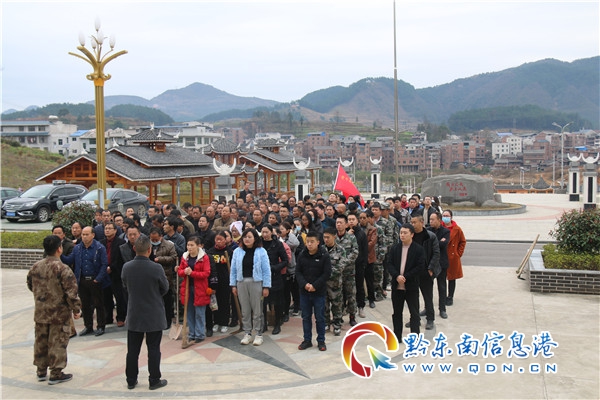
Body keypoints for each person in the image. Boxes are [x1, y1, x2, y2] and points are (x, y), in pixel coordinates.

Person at [27, 235, 82, 385]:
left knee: (41, 341)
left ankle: (41, 371)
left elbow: (30, 284)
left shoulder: (35, 267)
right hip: (59, 314)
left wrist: (42, 297)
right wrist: (76, 309)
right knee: (57, 343)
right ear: (59, 249)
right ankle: (56, 373)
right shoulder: (63, 269)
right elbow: (71, 293)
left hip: (41, 312)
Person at [121, 235, 169, 391]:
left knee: (132, 350)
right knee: (153, 349)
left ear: (134, 248)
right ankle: (154, 380)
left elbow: (125, 286)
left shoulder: (127, 267)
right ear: (150, 250)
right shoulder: (156, 268)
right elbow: (165, 288)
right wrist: (154, 295)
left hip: (134, 313)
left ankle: (131, 379)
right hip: (153, 313)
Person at [60, 226, 108, 337]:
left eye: (87, 234)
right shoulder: (77, 248)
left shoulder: (99, 248)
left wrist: (98, 278)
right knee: (85, 305)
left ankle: (101, 326)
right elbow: (69, 260)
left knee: (99, 304)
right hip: (82, 280)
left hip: (95, 280)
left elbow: (104, 264)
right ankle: (88, 326)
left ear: (93, 235)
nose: (84, 237)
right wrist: (60, 254)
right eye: (83, 234)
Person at [229, 228, 271, 346]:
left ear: (255, 238)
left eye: (249, 237)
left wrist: (266, 286)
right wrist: (233, 285)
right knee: (245, 310)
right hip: (241, 282)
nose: (247, 239)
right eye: (245, 237)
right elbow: (233, 270)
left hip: (256, 282)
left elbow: (266, 270)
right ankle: (247, 332)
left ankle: (258, 333)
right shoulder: (237, 252)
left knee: (257, 310)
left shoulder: (261, 251)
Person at [385, 223, 426, 340]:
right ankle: (397, 336)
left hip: (411, 286)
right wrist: (397, 276)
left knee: (414, 313)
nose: (402, 235)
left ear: (412, 234)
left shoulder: (418, 249)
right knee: (397, 313)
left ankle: (415, 337)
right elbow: (389, 264)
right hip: (397, 286)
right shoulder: (395, 248)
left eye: (405, 233)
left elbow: (420, 267)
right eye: (401, 233)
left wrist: (405, 277)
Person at [296, 231, 332, 351]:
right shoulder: (302, 255)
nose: (309, 244)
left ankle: (321, 341)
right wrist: (305, 284)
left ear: (318, 242)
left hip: (318, 292)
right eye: (308, 242)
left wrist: (315, 285)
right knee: (306, 317)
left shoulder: (324, 255)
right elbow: (298, 272)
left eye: (312, 242)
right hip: (305, 292)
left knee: (320, 317)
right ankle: (307, 340)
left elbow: (326, 273)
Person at [177, 236, 211, 343]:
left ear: (198, 246)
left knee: (200, 313)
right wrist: (184, 272)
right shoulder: (185, 257)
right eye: (188, 245)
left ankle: (200, 334)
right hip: (187, 288)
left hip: (200, 288)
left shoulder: (204, 257)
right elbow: (180, 271)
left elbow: (206, 273)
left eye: (192, 245)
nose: (189, 247)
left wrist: (192, 273)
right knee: (189, 312)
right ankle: (192, 333)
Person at [409, 215, 440, 331]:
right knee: (413, 297)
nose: (412, 225)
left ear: (421, 222)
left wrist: (431, 268)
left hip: (426, 271)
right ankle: (415, 319)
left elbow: (436, 253)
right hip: (413, 272)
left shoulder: (430, 236)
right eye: (411, 222)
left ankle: (430, 319)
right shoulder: (410, 236)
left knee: (427, 297)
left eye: (414, 222)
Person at [260, 224, 289, 335]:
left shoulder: (277, 244)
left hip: (275, 276)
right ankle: (264, 324)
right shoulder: (259, 244)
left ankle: (277, 324)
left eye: (267, 232)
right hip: (261, 276)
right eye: (263, 232)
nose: (265, 234)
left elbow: (285, 260)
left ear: (271, 232)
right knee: (263, 302)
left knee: (277, 302)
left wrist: (275, 268)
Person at [148, 227, 178, 329]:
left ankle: (167, 321)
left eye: (156, 239)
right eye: (152, 239)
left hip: (166, 276)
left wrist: (160, 259)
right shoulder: (148, 246)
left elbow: (173, 257)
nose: (154, 241)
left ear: (161, 237)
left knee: (167, 302)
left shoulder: (169, 245)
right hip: (151, 277)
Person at [100, 222, 127, 327]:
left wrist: (111, 267)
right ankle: (108, 317)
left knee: (119, 297)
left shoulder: (121, 242)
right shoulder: (101, 243)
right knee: (106, 297)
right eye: (106, 228)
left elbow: (120, 259)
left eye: (109, 228)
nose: (107, 230)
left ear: (115, 230)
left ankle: (121, 317)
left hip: (116, 273)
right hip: (104, 274)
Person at [206, 232, 234, 333]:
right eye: (216, 239)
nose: (218, 241)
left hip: (225, 280)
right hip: (214, 281)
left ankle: (224, 322)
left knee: (224, 302)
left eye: (220, 239)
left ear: (225, 240)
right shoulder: (210, 252)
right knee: (214, 302)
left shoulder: (229, 252)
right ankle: (216, 322)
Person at [334, 214, 359, 326]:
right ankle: (338, 317)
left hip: (349, 272)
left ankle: (352, 316)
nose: (338, 225)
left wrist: (343, 262)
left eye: (341, 223)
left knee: (351, 295)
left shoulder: (351, 238)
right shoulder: (333, 237)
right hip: (336, 273)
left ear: (346, 225)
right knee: (337, 296)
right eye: (337, 223)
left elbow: (355, 252)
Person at [322, 227, 347, 336]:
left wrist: (325, 274)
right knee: (324, 305)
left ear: (334, 237)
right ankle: (326, 323)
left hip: (335, 283)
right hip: (323, 284)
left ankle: (337, 324)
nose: (326, 240)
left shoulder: (341, 250)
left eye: (328, 237)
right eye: (324, 237)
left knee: (337, 305)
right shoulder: (321, 249)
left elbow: (340, 267)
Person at [428, 212, 450, 319]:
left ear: (439, 220)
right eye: (430, 219)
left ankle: (442, 309)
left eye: (433, 219)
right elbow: (427, 244)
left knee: (442, 287)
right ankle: (428, 308)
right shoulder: (427, 230)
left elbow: (443, 244)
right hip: (430, 263)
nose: (431, 221)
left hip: (441, 263)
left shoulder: (445, 231)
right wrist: (437, 242)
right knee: (428, 288)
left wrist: (433, 242)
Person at [442, 210, 466, 306]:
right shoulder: (439, 227)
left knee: (452, 278)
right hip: (442, 256)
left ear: (451, 217)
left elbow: (462, 242)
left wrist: (458, 253)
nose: (445, 217)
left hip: (452, 257)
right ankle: (443, 296)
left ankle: (450, 296)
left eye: (447, 216)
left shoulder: (457, 229)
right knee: (442, 278)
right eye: (444, 215)